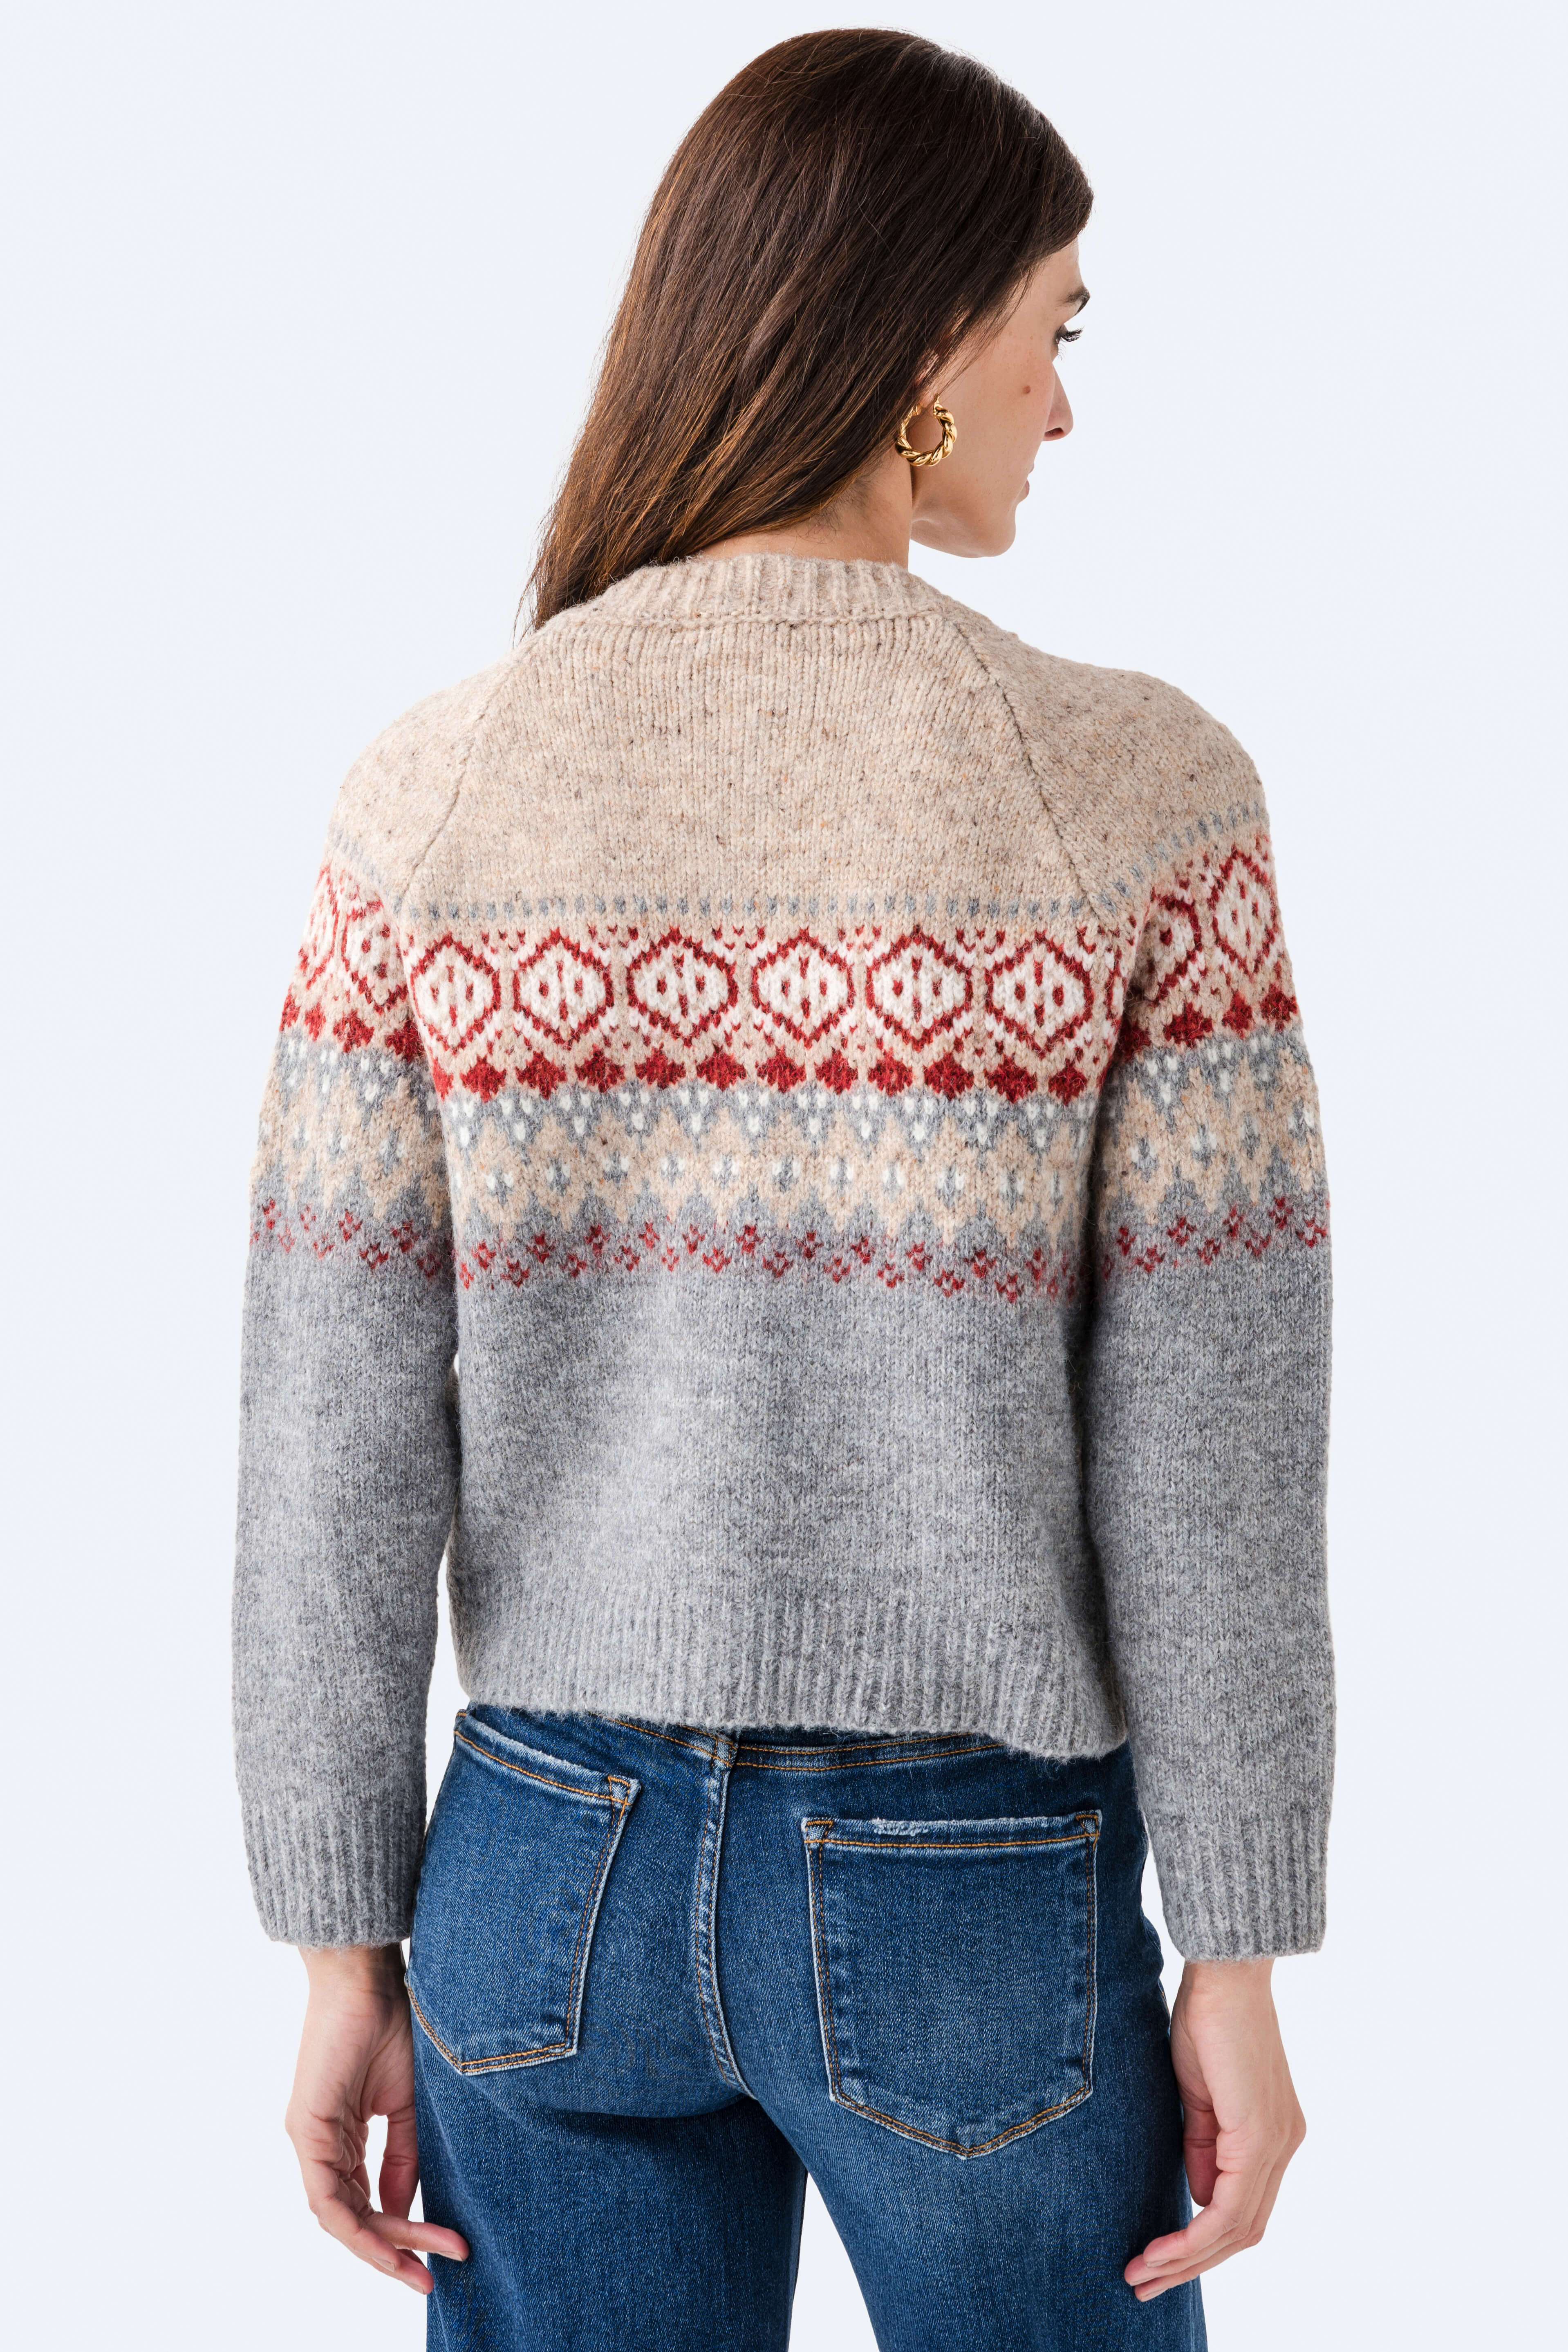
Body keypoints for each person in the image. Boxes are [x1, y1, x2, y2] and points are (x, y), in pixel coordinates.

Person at [233, 29, 1331, 2350]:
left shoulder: (433, 789)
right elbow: (1213, 1446)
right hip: (975, 1890)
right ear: (924, 342)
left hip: (538, 1876)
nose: (1065, 403)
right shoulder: (1139, 792)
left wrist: (341, 1948)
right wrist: (1238, 1953)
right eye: (1056, 328)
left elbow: (332, 1431)